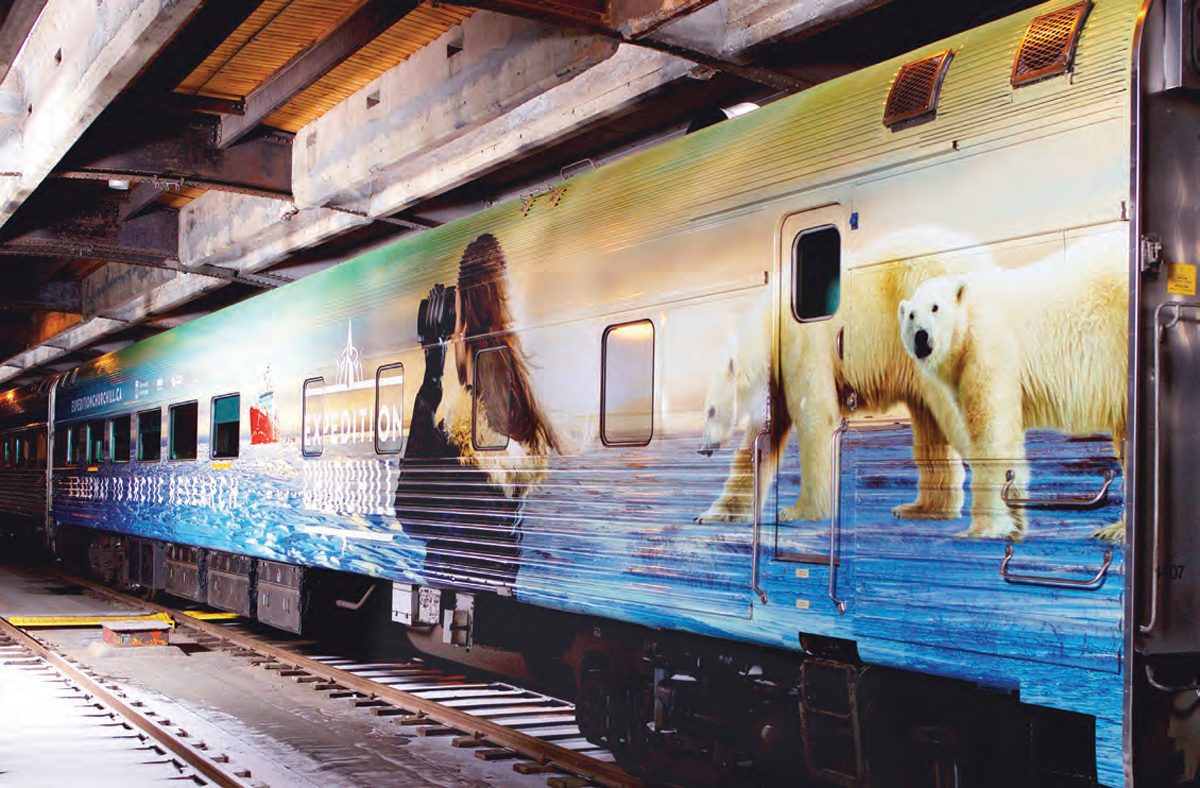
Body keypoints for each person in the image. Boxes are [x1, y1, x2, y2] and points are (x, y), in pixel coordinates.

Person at [394, 233, 561, 590]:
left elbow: (412, 517)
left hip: (452, 590)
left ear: (467, 335)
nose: (452, 341)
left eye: (455, 330)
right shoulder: (522, 430)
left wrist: (431, 382)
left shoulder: (461, 441)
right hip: (501, 590)